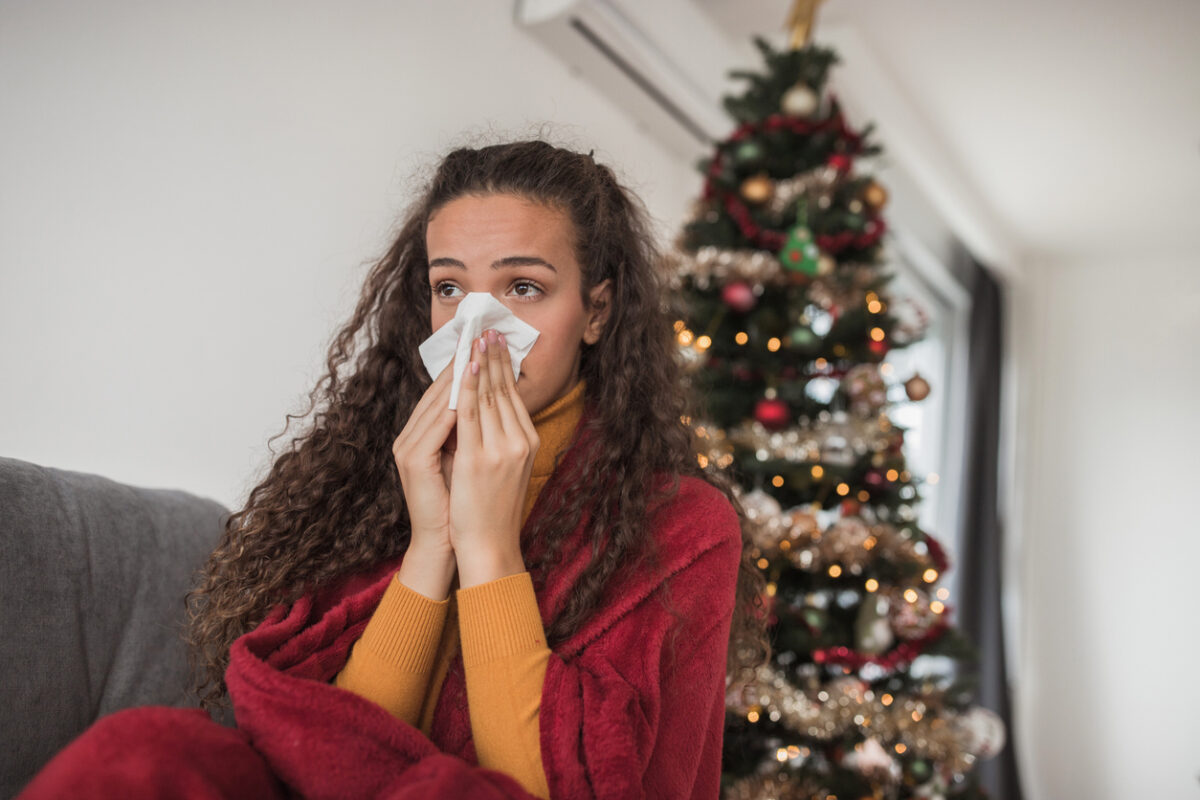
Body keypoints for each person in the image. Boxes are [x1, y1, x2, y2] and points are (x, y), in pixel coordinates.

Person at [18, 138, 768, 799]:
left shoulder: (684, 525)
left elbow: (560, 784)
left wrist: (488, 548)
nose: (479, 327)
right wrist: (432, 542)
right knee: (149, 749)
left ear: (597, 312)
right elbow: (320, 751)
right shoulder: (373, 484)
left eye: (523, 288)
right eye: (451, 288)